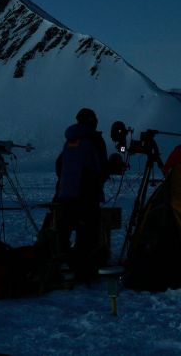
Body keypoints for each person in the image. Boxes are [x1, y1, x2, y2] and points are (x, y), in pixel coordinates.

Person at [54, 107, 109, 280]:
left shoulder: (71, 140)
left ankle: (58, 264)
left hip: (65, 194)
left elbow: (59, 164)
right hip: (86, 195)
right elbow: (101, 167)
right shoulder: (94, 139)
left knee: (63, 231)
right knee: (87, 233)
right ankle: (84, 270)